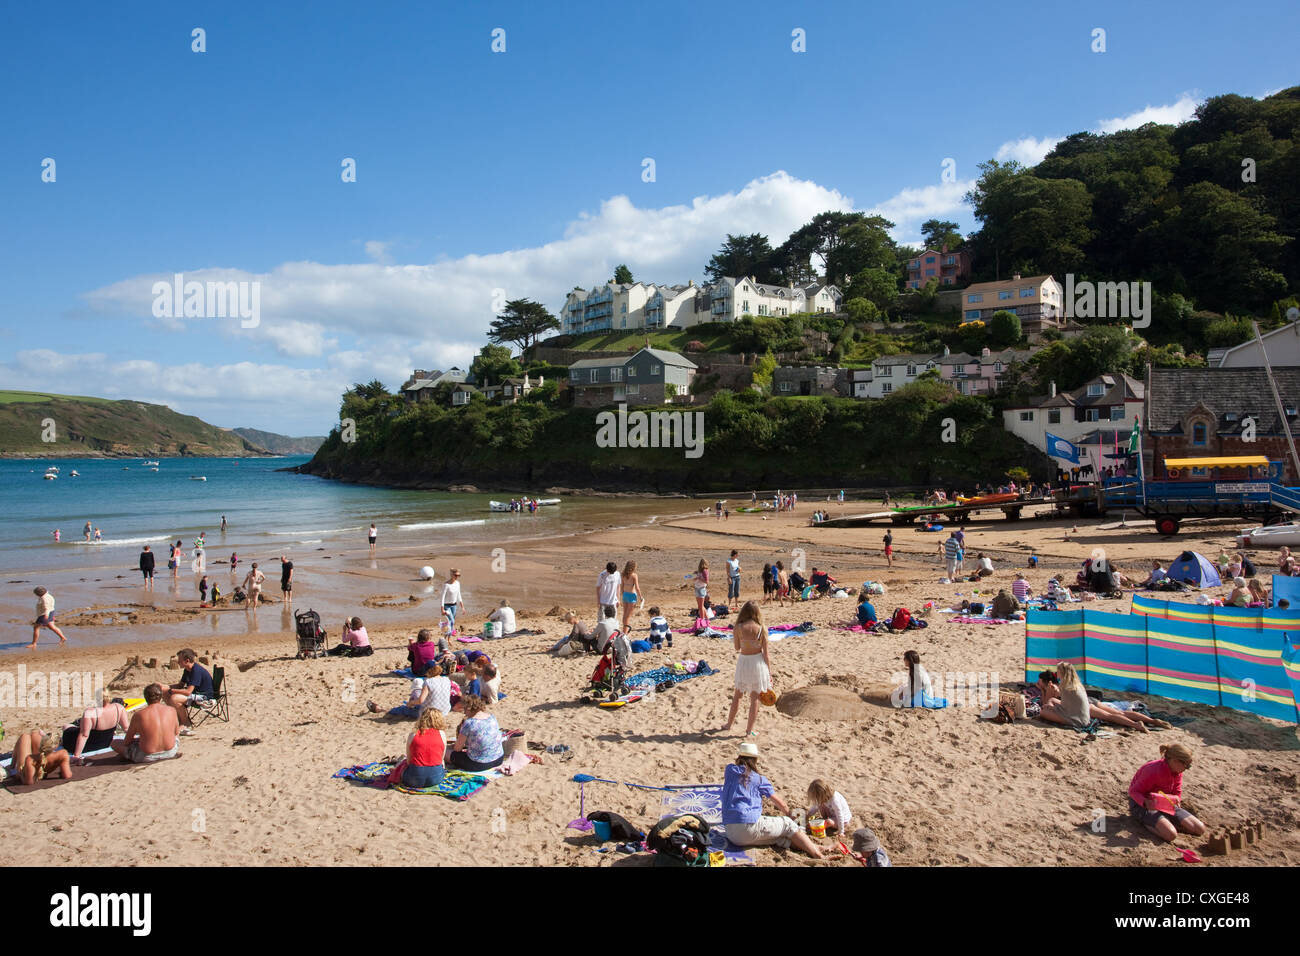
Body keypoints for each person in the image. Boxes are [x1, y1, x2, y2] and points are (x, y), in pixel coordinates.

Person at [721, 743, 825, 859]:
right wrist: (790, 815)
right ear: (755, 760)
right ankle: (817, 854)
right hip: (747, 827)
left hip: (731, 834)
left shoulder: (729, 770)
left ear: (739, 757)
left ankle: (813, 847)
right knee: (788, 824)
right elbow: (780, 803)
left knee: (780, 838)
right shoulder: (759, 779)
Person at [1039, 661, 1169, 732]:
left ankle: (1137, 725)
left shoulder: (1062, 687)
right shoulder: (1076, 683)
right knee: (1118, 713)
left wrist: (1044, 691)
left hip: (1079, 713)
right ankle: (1151, 721)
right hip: (1087, 705)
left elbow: (1047, 702)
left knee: (1044, 710)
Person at [1128, 743, 1206, 843]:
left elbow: (1177, 791)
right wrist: (1146, 802)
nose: (1186, 769)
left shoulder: (1177, 772)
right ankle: (1145, 822)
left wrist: (1176, 799)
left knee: (1199, 829)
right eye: (1186, 766)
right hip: (1143, 805)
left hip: (1164, 803)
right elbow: (1133, 792)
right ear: (1174, 761)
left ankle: (1165, 821)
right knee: (1171, 835)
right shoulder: (1152, 770)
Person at [723, 601, 772, 737]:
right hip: (757, 662)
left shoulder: (738, 627)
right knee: (755, 698)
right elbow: (766, 654)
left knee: (737, 695)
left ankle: (728, 724)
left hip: (744, 661)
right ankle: (749, 730)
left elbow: (737, 647)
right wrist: (769, 672)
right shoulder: (762, 628)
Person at [111, 683, 180, 763]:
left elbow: (127, 741)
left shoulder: (139, 715)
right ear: (160, 697)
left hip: (147, 756)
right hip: (171, 751)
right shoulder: (172, 710)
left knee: (114, 743)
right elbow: (176, 732)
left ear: (146, 698)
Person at [62, 696, 130, 764]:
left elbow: (84, 736)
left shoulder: (89, 712)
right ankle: (79, 723)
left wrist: (76, 756)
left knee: (66, 726)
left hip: (81, 746)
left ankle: (78, 723)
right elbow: (126, 729)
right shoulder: (119, 708)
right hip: (106, 743)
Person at [448, 694, 504, 772]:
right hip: (498, 758)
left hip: (479, 764)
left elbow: (457, 749)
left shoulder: (469, 723)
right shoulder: (491, 717)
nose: (464, 712)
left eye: (464, 709)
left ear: (469, 708)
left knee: (447, 754)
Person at [167, 648, 214, 734]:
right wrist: (165, 687)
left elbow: (188, 691)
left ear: (187, 661)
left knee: (174, 698)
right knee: (166, 692)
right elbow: (180, 685)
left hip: (204, 696)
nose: (178, 662)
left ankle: (186, 723)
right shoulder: (187, 670)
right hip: (196, 694)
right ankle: (178, 720)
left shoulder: (196, 671)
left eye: (180, 661)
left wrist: (173, 691)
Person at [397, 709, 447, 788]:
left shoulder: (413, 735)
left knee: (401, 767)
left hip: (414, 779)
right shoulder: (442, 734)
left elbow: (409, 761)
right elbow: (441, 759)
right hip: (436, 778)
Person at [441, 568, 464, 635]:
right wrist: (442, 609)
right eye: (456, 575)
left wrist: (462, 607)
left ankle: (449, 631)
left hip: (454, 605)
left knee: (451, 621)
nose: (457, 577)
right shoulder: (446, 585)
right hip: (447, 606)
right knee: (452, 621)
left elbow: (459, 595)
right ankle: (449, 634)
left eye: (458, 575)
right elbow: (442, 598)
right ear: (452, 575)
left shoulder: (458, 583)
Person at [620, 560, 642, 631]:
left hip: (625, 594)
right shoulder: (634, 575)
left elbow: (622, 586)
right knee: (628, 616)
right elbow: (637, 588)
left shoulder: (623, 574)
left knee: (625, 615)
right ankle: (625, 632)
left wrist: (621, 595)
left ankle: (624, 629)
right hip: (632, 595)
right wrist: (640, 597)